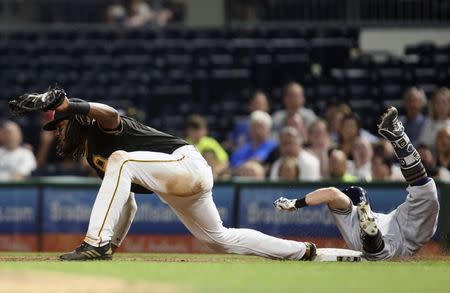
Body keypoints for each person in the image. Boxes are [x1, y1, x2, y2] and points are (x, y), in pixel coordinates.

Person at [33, 89, 315, 261]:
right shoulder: (95, 156)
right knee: (220, 240)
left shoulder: (101, 129)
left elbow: (110, 113)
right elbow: (127, 204)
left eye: (61, 125)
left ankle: (94, 243)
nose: (57, 131)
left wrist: (71, 106)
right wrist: (114, 245)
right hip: (178, 184)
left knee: (121, 159)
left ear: (79, 120)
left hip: (185, 163)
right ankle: (299, 251)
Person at [274, 107, 440, 260]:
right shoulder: (351, 217)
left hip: (392, 230)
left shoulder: (348, 219)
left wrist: (296, 203)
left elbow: (333, 193)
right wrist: (296, 203)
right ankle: (398, 135)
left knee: (378, 249)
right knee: (428, 193)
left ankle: (371, 233)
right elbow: (333, 193)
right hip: (402, 236)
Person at [185, 114, 229, 179]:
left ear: (205, 130)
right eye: (194, 129)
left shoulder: (211, 143)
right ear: (188, 130)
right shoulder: (184, 145)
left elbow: (225, 162)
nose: (198, 132)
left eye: (200, 129)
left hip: (213, 178)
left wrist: (214, 172)